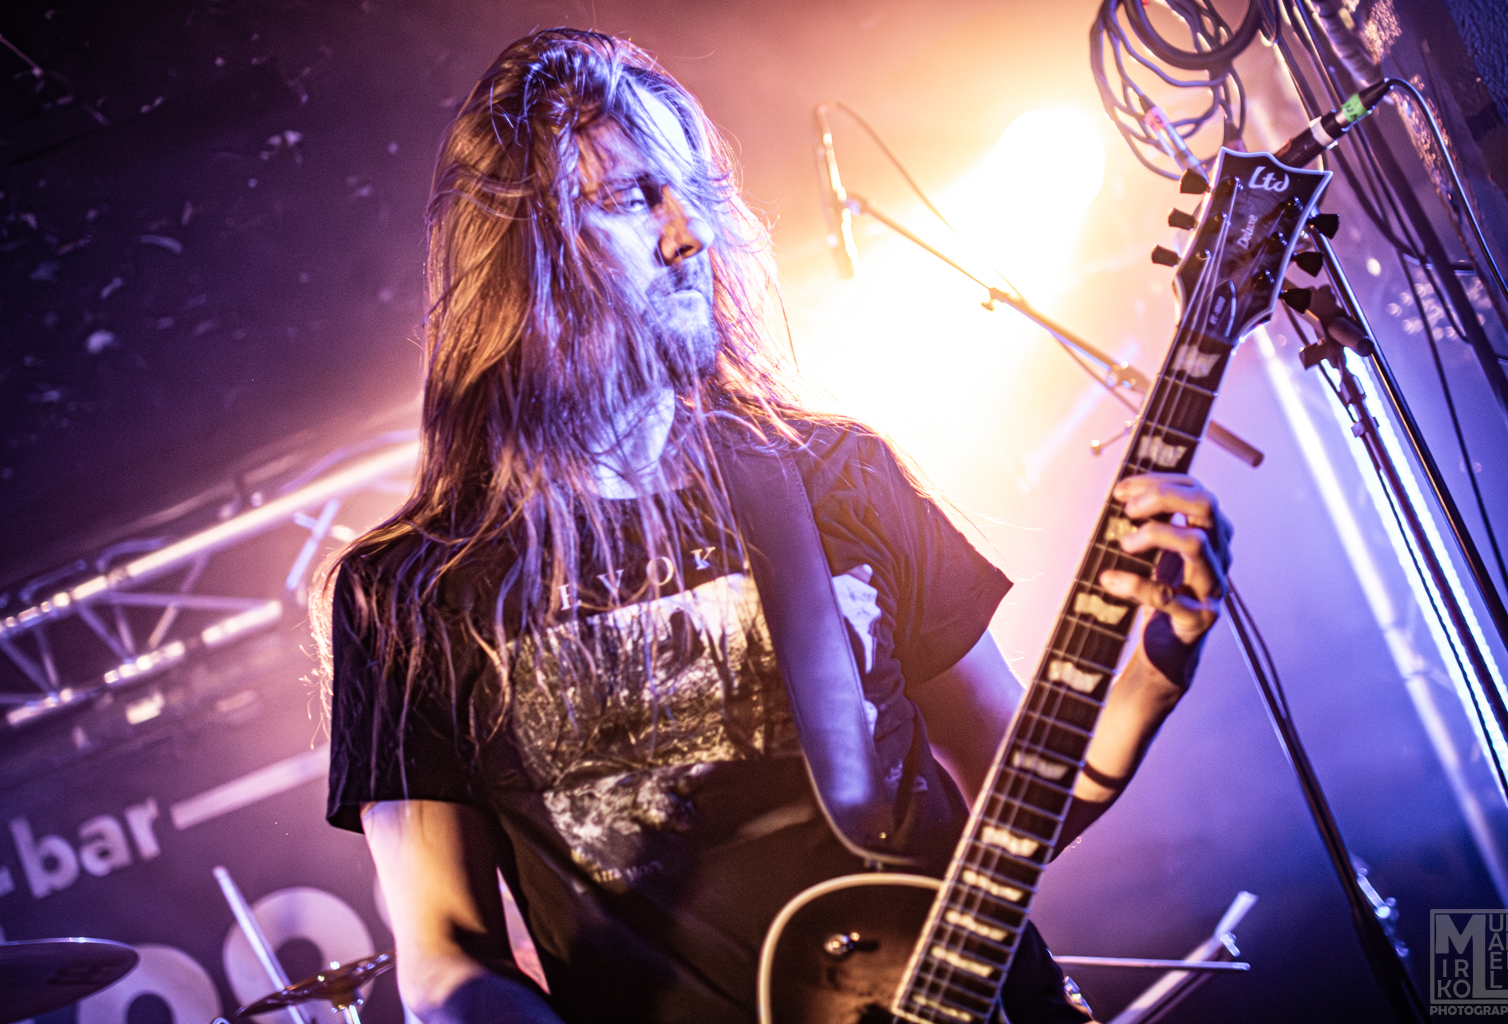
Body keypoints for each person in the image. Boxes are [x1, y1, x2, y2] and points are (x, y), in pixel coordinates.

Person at [316, 27, 1232, 1024]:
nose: (689, 234)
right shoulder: (411, 593)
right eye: (630, 198)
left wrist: (1150, 673)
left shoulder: (835, 474)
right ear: (523, 253)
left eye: (689, 192)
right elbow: (446, 958)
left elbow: (1021, 804)